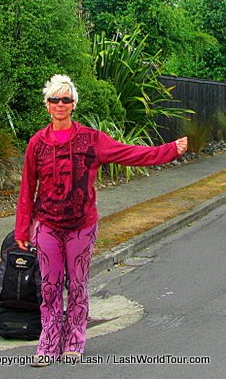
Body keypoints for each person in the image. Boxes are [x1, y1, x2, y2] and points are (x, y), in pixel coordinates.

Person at [15, 74, 188, 367]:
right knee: (49, 286)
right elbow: (27, 186)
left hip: (81, 226)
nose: (60, 104)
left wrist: (169, 151)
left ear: (73, 105)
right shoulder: (37, 143)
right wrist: (22, 227)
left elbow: (129, 153)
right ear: (47, 105)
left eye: (65, 99)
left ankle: (74, 342)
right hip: (47, 224)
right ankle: (48, 342)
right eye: (54, 99)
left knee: (78, 285)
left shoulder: (91, 139)